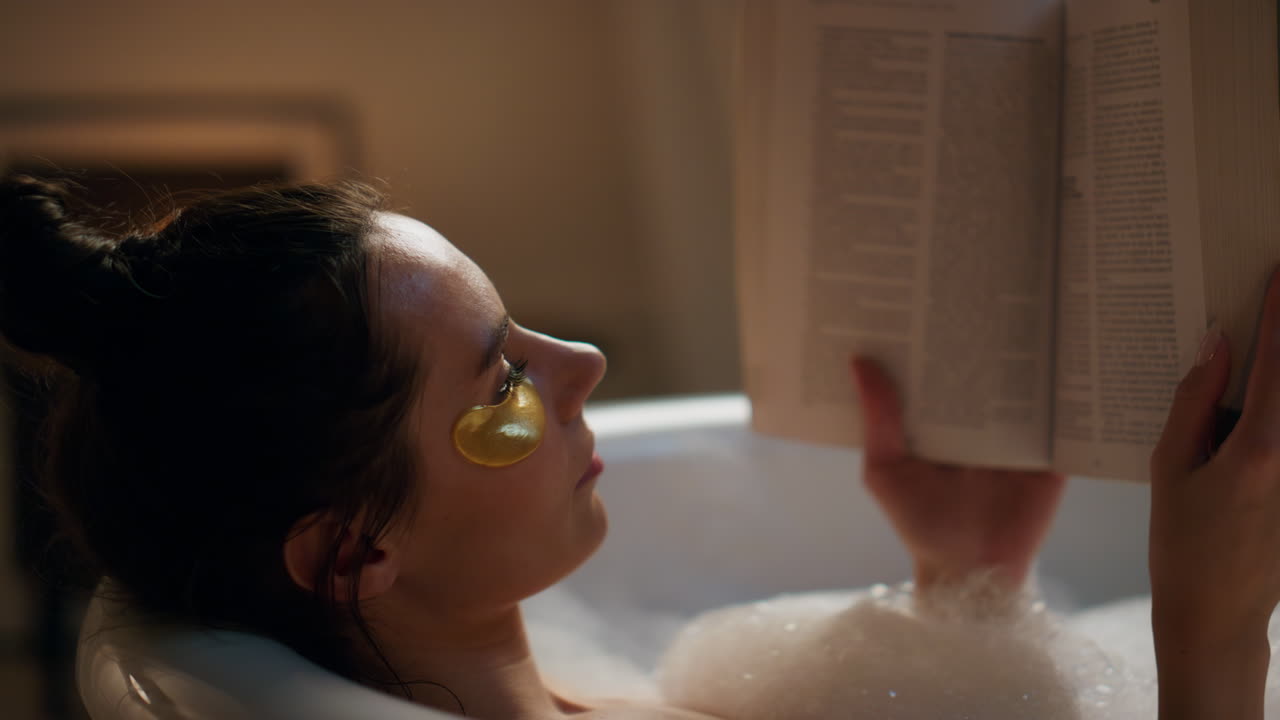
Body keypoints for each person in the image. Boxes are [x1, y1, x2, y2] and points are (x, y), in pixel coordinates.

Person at [0, 173, 1274, 719]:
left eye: (525, 332)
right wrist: (1210, 638)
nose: (581, 370)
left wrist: (967, 577)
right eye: (501, 385)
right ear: (355, 547)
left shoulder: (576, 680)